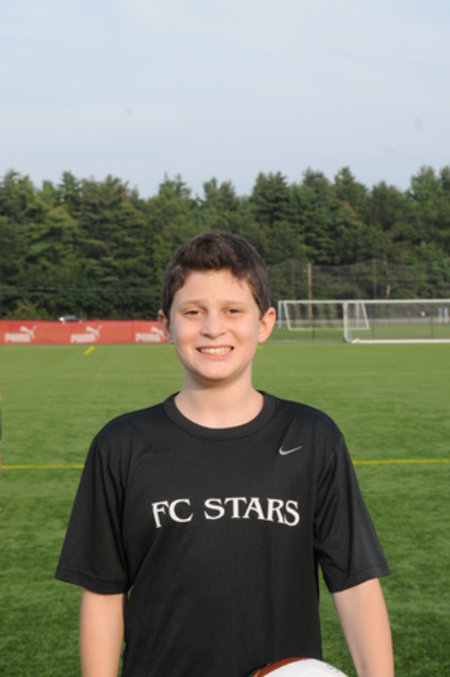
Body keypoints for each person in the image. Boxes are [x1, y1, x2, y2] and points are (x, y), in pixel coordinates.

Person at [55, 231, 394, 677]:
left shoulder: (312, 437)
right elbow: (103, 595)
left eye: (233, 310)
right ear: (165, 325)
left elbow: (356, 584)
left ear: (265, 323)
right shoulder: (122, 444)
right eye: (193, 312)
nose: (213, 328)